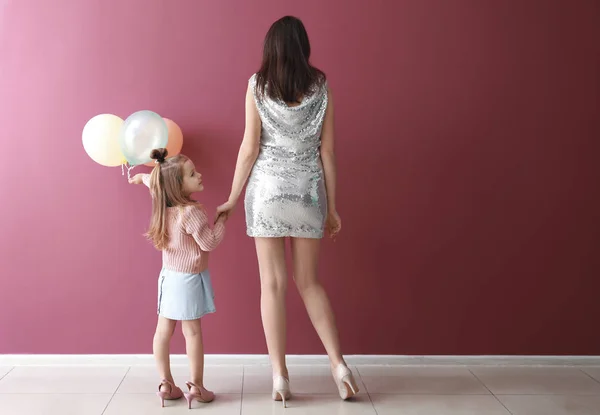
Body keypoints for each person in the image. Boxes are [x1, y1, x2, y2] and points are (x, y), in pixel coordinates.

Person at [216, 16, 358, 406]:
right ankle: (339, 367)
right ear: (303, 48)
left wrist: (231, 197)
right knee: (309, 282)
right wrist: (332, 208)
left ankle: (280, 377)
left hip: (266, 192)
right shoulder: (321, 86)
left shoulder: (257, 85)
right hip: (308, 192)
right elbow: (327, 152)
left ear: (270, 49)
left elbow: (249, 148)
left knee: (273, 285)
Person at [130, 148, 227, 409]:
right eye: (193, 174)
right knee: (192, 333)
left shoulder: (162, 203)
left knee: (163, 332)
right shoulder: (192, 213)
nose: (200, 175)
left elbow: (155, 182)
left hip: (168, 278)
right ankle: (196, 386)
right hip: (189, 280)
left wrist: (141, 178)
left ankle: (165, 383)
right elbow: (209, 243)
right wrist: (221, 221)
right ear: (177, 185)